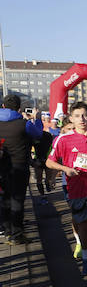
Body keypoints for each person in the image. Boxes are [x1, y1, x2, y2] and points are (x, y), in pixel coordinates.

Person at [45, 102, 87, 275]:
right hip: (76, 189)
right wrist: (66, 169)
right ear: (71, 119)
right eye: (77, 116)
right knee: (82, 226)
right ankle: (86, 257)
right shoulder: (63, 139)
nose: (81, 119)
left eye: (84, 115)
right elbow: (49, 162)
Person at [0, 95, 44, 244]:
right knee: (17, 199)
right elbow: (38, 134)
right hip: (19, 165)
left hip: (2, 166)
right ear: (19, 108)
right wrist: (37, 119)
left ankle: (6, 230)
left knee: (4, 198)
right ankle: (17, 234)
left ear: (3, 106)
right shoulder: (23, 123)